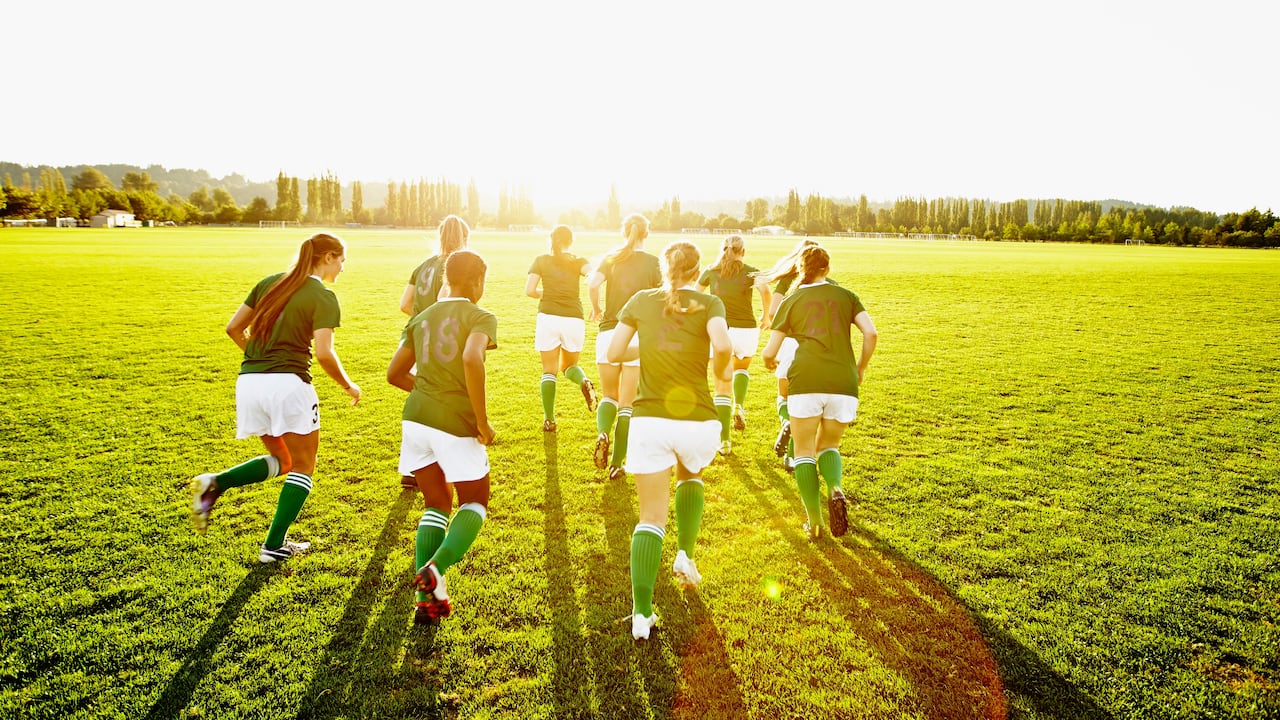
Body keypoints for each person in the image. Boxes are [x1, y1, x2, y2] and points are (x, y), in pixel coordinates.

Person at [190, 233, 362, 563]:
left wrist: (263, 360)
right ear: (327, 257)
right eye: (341, 260)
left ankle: (214, 484)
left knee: (284, 461)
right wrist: (348, 385)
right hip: (289, 387)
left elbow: (233, 329)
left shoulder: (269, 282)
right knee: (304, 466)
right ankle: (274, 545)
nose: (342, 268)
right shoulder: (323, 296)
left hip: (250, 383)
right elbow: (325, 354)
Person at [607, 241, 732, 640]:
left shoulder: (642, 300)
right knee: (690, 476)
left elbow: (614, 351)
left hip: (649, 419)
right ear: (698, 269)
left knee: (649, 518)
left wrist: (652, 342)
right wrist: (720, 369)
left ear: (665, 267)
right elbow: (724, 346)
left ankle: (642, 614)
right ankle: (686, 556)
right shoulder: (710, 304)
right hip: (696, 418)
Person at [387, 250, 497, 625]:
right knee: (476, 501)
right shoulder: (480, 316)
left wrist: (428, 392)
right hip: (454, 423)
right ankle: (435, 570)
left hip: (415, 419)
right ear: (478, 281)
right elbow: (470, 358)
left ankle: (426, 602)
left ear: (447, 278)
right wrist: (481, 421)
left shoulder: (420, 317)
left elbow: (394, 374)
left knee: (435, 503)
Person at [762, 245, 877, 539]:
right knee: (828, 446)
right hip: (843, 381)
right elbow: (871, 333)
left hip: (806, 380)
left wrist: (768, 361)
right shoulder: (847, 296)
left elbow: (771, 351)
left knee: (803, 453)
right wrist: (861, 367)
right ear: (827, 268)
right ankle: (835, 488)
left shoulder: (792, 298)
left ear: (801, 269)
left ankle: (814, 522)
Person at [395, 214, 470, 489]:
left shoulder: (422, 265)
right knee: (442, 400)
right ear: (466, 239)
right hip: (439, 343)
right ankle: (439, 461)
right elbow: (447, 303)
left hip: (413, 336)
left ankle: (410, 470)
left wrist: (420, 317)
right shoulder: (457, 268)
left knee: (418, 400)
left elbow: (405, 304)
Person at [588, 214, 661, 480]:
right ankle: (617, 464)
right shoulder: (654, 262)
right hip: (638, 335)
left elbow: (593, 284)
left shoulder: (612, 257)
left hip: (609, 331)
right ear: (646, 234)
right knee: (627, 405)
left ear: (624, 232)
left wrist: (596, 309)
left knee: (609, 395)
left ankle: (603, 432)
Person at [696, 234, 771, 455]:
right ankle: (739, 405)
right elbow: (766, 291)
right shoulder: (751, 270)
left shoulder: (710, 270)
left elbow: (695, 295)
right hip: (747, 329)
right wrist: (766, 316)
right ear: (743, 251)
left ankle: (725, 441)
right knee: (742, 368)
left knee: (721, 386)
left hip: (719, 329)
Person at [755, 238, 822, 469]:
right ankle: (792, 457)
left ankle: (787, 423)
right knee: (804, 402)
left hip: (788, 342)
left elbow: (773, 312)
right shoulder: (829, 282)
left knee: (785, 397)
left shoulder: (786, 280)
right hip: (816, 347)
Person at [525, 225, 597, 432]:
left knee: (549, 370)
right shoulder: (578, 261)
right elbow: (593, 277)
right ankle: (583, 380)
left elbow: (529, 290)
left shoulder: (541, 260)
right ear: (570, 241)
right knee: (568, 367)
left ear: (551, 240)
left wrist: (546, 294)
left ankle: (549, 420)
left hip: (548, 317)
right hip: (573, 318)